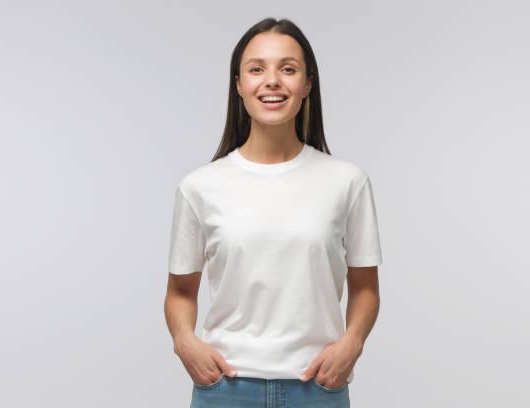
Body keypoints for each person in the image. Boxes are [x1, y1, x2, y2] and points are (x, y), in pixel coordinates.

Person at [164, 17, 383, 408]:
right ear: (238, 85)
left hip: (317, 387)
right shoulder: (199, 187)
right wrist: (184, 343)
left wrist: (351, 344)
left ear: (308, 84)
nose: (272, 81)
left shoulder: (347, 182)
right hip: (225, 389)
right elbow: (180, 292)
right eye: (256, 69)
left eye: (288, 69)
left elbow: (365, 287)